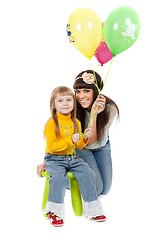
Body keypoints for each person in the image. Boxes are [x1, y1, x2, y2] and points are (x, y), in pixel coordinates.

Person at [37, 86, 106, 227]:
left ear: (74, 103)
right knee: (57, 177)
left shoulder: (76, 122)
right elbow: (52, 146)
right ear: (54, 105)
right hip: (54, 159)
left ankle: (92, 209)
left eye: (69, 100)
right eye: (60, 100)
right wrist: (70, 140)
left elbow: (79, 146)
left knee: (87, 172)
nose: (66, 103)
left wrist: (84, 137)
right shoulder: (52, 123)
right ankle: (55, 212)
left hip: (72, 158)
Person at [73, 70, 119, 196]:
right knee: (97, 189)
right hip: (83, 148)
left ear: (96, 91)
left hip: (101, 146)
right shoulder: (73, 107)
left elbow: (95, 141)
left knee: (105, 190)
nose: (81, 96)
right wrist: (93, 116)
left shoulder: (110, 109)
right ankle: (60, 179)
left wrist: (96, 113)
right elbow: (87, 144)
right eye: (78, 91)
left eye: (86, 91)